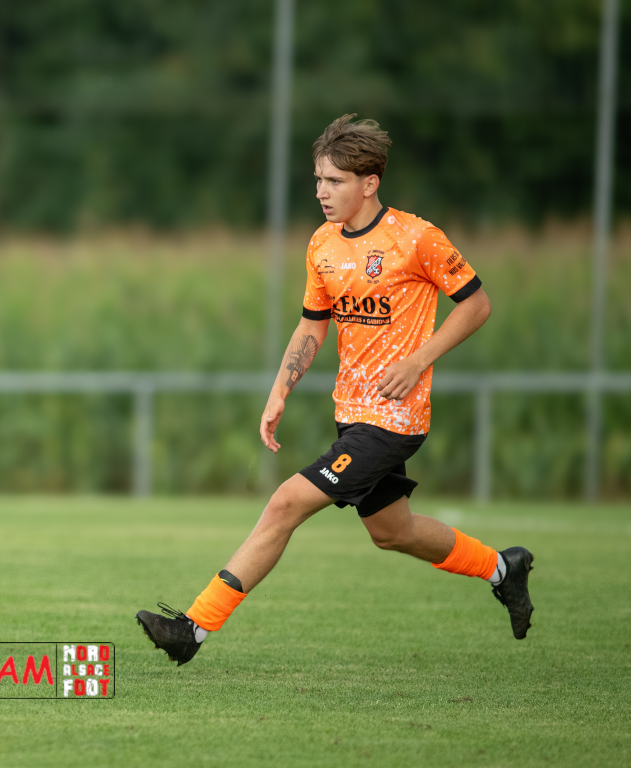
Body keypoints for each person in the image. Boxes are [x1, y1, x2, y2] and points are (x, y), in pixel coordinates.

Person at [137, 114, 534, 666]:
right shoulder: (322, 244)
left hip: (394, 419)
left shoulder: (416, 237)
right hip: (351, 414)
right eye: (318, 180)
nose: (322, 192)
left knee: (285, 503)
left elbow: (477, 304)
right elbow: (312, 324)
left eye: (335, 181)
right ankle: (503, 568)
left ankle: (192, 629)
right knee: (392, 532)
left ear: (370, 183)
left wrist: (418, 360)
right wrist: (280, 390)